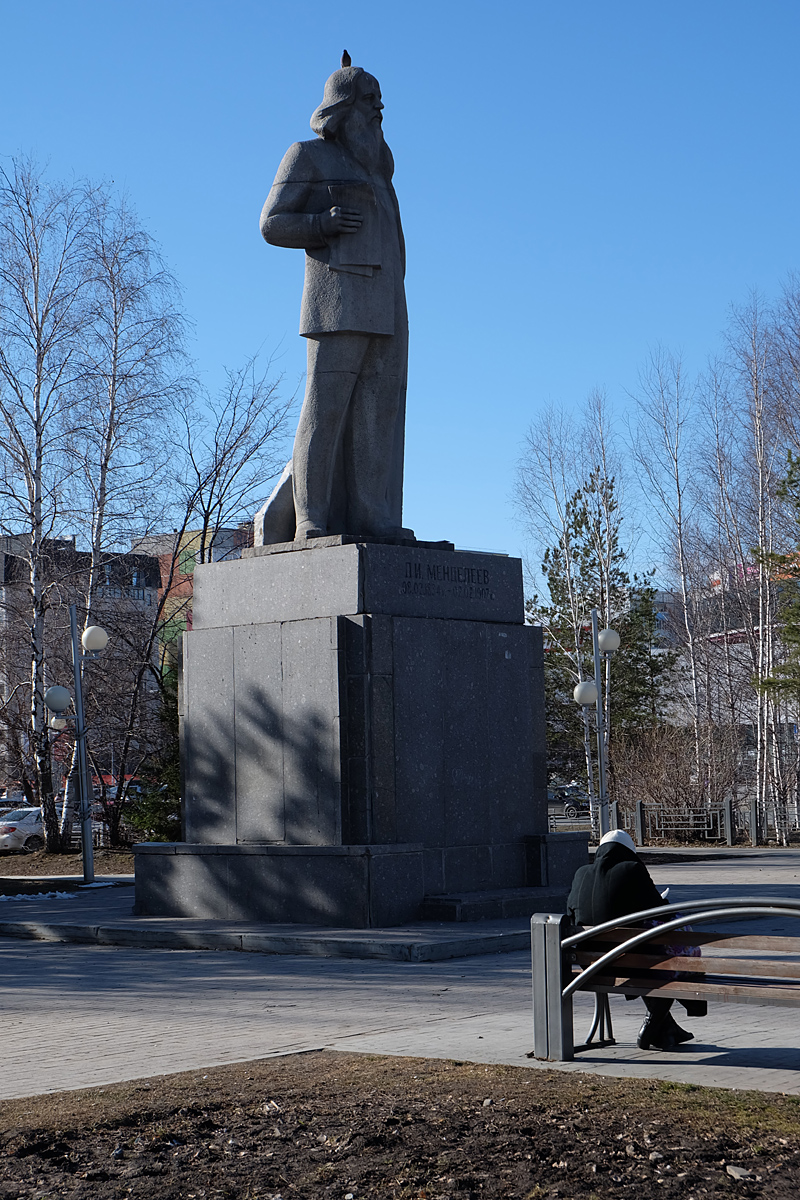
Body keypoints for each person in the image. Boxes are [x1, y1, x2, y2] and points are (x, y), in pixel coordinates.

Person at [258, 56, 410, 543]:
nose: (378, 111)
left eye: (380, 103)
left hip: (388, 302)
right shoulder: (306, 156)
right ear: (343, 107)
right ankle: (311, 519)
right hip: (337, 302)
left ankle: (373, 516)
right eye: (369, 101)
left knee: (378, 414)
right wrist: (322, 223)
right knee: (324, 411)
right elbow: (271, 223)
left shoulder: (380, 167)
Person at [568, 829, 705, 1051]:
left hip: (591, 965)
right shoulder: (632, 869)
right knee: (666, 959)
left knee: (640, 958)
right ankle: (652, 1026)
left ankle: (666, 1031)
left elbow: (572, 914)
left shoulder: (581, 873)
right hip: (627, 963)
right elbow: (659, 911)